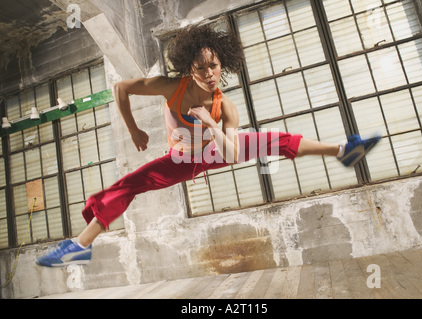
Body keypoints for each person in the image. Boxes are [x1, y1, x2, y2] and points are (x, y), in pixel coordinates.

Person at [36, 24, 380, 267]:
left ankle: (343, 151)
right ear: (190, 68)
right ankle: (80, 246)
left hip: (217, 151)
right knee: (126, 186)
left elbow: (231, 154)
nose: (208, 73)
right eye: (200, 67)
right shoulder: (171, 87)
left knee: (276, 140)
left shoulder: (225, 106)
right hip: (180, 159)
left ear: (222, 65)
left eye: (213, 65)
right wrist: (134, 129)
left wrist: (212, 122)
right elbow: (121, 89)